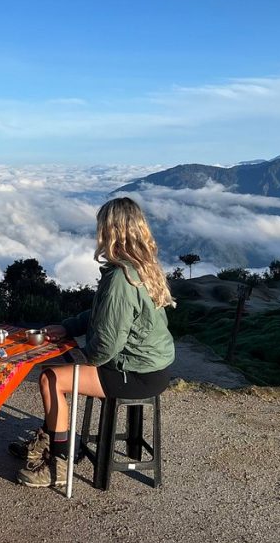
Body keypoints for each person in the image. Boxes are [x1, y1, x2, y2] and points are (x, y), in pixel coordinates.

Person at [10, 197, 175, 488]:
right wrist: (67, 327)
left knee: (51, 379)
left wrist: (79, 358)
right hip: (152, 369)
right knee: (58, 372)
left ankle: (59, 464)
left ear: (111, 231)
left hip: (133, 373)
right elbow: (103, 314)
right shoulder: (140, 267)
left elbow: (107, 346)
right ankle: (51, 440)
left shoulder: (121, 279)